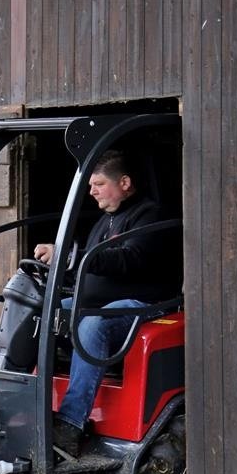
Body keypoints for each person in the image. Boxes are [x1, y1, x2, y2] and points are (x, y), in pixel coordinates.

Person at [32, 150, 181, 457]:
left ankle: (71, 423)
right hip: (102, 301)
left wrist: (68, 254)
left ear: (124, 182)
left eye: (99, 183)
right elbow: (90, 262)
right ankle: (22, 402)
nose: (92, 190)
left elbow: (129, 259)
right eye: (91, 185)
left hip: (144, 304)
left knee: (93, 325)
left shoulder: (151, 215)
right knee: (41, 310)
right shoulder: (105, 221)